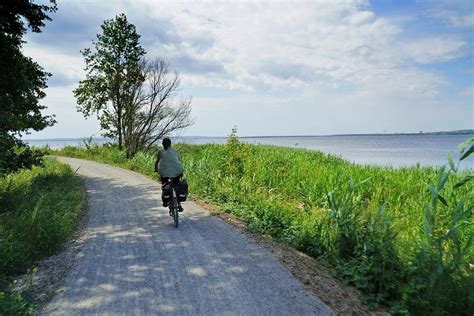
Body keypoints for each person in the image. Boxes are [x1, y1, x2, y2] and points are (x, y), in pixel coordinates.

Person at [155, 137, 184, 211]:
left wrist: (156, 169)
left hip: (164, 172)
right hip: (178, 170)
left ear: (163, 144)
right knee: (177, 186)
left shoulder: (160, 152)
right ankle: (179, 204)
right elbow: (179, 161)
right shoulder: (175, 151)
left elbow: (157, 162)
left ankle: (166, 201)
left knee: (165, 185)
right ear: (170, 144)